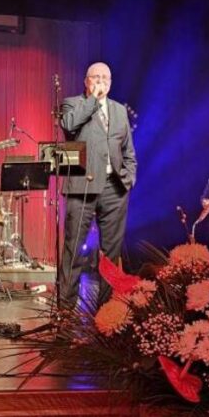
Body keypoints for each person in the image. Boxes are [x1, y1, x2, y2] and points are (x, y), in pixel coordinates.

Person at [58, 62, 137, 308]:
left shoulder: (119, 110)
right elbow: (69, 125)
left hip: (115, 187)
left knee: (111, 254)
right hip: (83, 186)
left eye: (106, 78)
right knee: (73, 250)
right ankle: (65, 311)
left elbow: (128, 151)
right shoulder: (73, 104)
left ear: (111, 82)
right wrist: (93, 99)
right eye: (96, 77)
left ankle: (107, 311)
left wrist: (129, 178)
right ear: (86, 81)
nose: (101, 81)